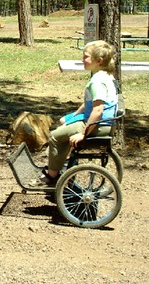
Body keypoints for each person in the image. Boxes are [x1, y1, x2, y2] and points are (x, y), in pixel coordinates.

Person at [36, 40, 119, 186]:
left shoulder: (97, 82)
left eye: (86, 57)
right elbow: (91, 103)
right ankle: (62, 161)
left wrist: (83, 133)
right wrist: (75, 114)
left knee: (55, 136)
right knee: (64, 122)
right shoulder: (105, 76)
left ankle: (52, 176)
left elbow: (98, 110)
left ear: (98, 60)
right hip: (104, 123)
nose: (82, 60)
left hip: (98, 124)